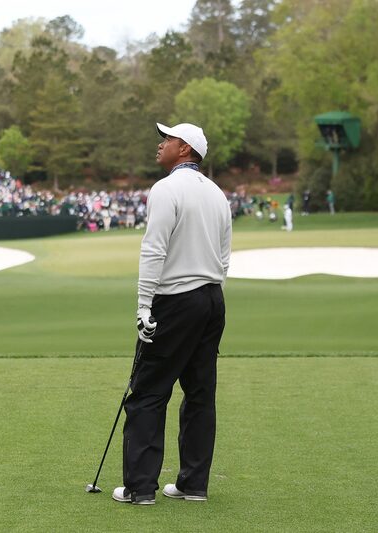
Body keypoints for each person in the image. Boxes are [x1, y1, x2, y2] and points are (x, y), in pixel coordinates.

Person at [113, 122, 232, 505]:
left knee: (148, 393)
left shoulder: (165, 189)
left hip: (175, 300)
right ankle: (193, 485)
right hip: (212, 300)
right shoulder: (217, 193)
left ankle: (140, 488)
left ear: (184, 149)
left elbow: (154, 250)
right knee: (200, 394)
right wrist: (209, 300)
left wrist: (144, 305)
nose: (160, 144)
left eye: (167, 139)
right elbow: (225, 257)